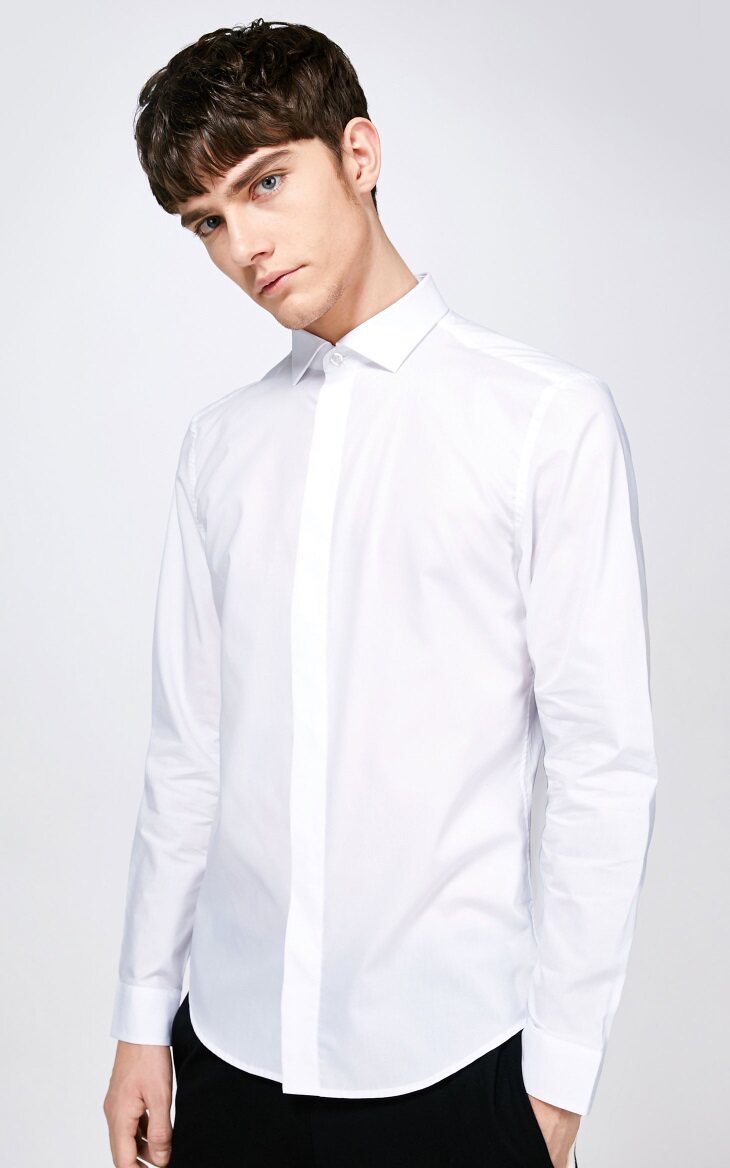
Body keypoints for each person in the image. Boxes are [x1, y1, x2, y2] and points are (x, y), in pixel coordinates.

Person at [102, 18, 658, 1168]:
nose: (244, 245)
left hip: (451, 1061)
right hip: (230, 1049)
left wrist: (557, 1079)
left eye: (265, 183)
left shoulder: (544, 420)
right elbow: (188, 750)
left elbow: (601, 762)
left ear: (358, 154)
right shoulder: (220, 446)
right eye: (207, 221)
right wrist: (141, 1018)